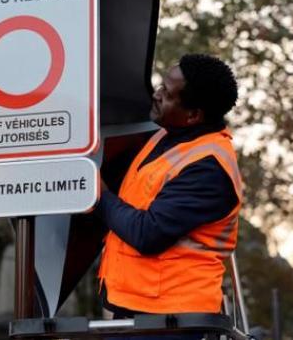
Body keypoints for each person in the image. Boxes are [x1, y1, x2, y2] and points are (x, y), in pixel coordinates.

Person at [96, 53, 242, 321]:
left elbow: (148, 234)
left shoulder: (209, 167)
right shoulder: (165, 136)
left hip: (174, 316)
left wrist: (99, 196)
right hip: (140, 306)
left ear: (193, 115)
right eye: (161, 85)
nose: (156, 94)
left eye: (168, 93)